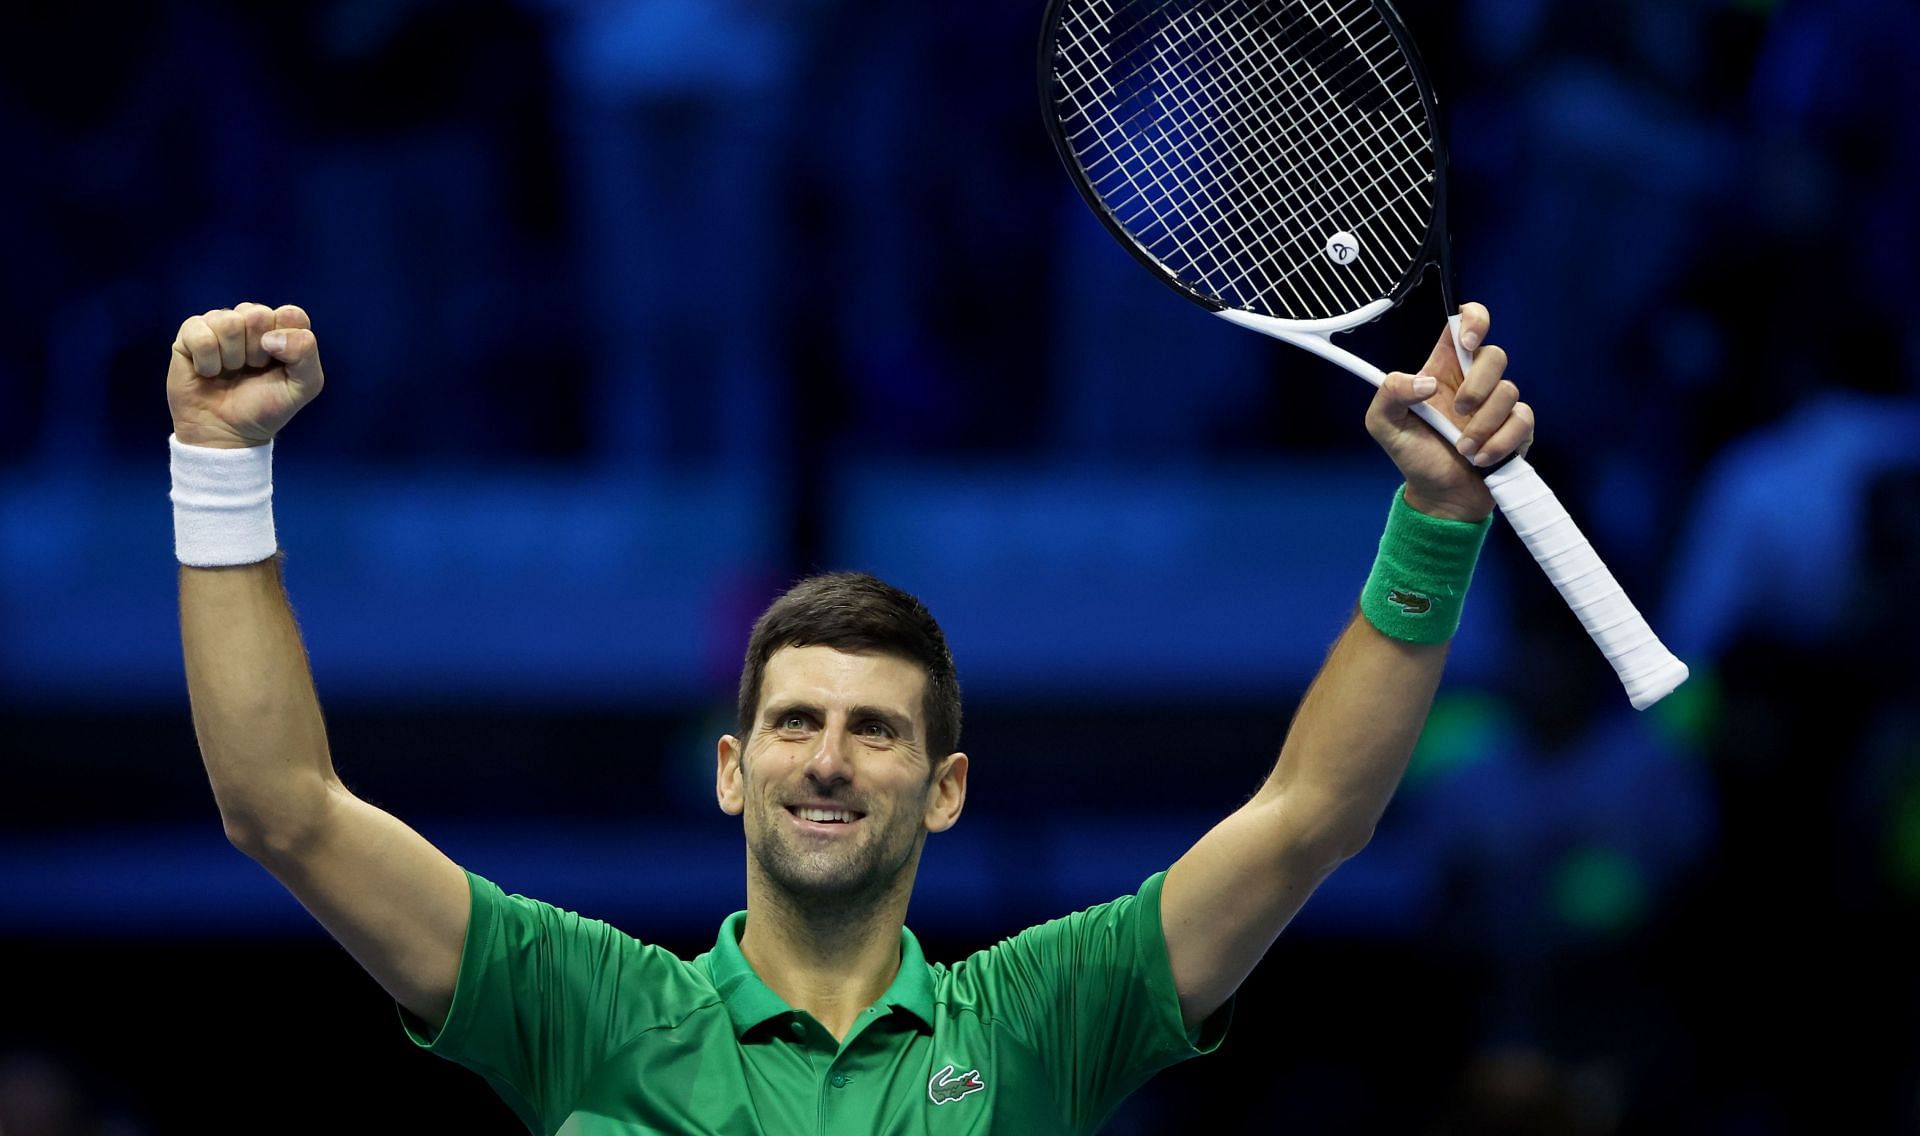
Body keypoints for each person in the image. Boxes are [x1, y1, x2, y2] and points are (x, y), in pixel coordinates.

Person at [167, 299, 1533, 1134]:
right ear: (731, 769)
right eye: (795, 723)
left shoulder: (1038, 1022)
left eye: (876, 730)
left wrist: (1436, 521)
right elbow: (283, 809)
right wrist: (219, 466)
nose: (828, 758)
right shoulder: (582, 1008)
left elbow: (1310, 821)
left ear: (944, 788)